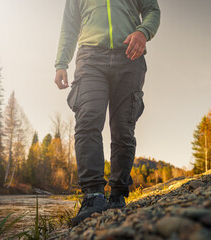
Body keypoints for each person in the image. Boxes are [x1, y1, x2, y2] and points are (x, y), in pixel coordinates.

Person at [54, 0, 160, 226]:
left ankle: (118, 195)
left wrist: (143, 32)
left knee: (123, 128)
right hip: (90, 58)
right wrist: (61, 62)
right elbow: (69, 25)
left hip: (130, 56)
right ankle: (93, 196)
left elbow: (152, 10)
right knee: (88, 120)